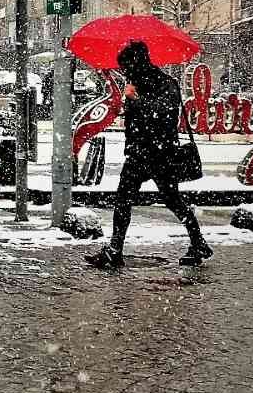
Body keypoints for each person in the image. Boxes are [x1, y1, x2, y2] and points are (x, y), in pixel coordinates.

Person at [84, 39, 214, 269]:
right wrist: (130, 105)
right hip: (139, 152)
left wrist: (136, 101)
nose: (124, 71)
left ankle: (197, 242)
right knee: (126, 199)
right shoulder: (138, 82)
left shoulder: (165, 83)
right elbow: (141, 116)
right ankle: (116, 248)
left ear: (138, 62)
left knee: (171, 200)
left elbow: (162, 114)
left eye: (126, 66)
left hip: (159, 153)